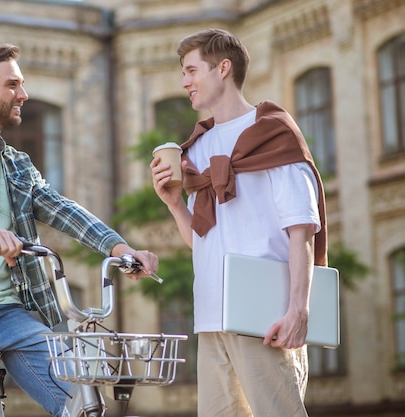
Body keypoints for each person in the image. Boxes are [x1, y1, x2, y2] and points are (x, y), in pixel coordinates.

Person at [0, 43, 159, 417]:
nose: (23, 94)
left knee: (84, 405)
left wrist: (121, 250)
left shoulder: (17, 164)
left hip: (13, 315)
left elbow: (63, 209)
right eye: (12, 85)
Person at [150, 28, 327, 417]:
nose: (185, 82)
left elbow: (302, 231)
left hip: (265, 315)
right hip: (212, 317)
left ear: (223, 68)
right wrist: (176, 206)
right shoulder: (195, 148)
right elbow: (205, 244)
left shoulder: (273, 134)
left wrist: (299, 309)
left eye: (192, 70)